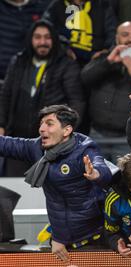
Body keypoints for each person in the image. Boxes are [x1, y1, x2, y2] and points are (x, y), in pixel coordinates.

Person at [0, 105, 112, 261]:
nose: (41, 129)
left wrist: (95, 174)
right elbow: (6, 144)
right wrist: (59, 238)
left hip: (95, 238)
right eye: (41, 123)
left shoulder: (85, 149)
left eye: (49, 123)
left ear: (66, 131)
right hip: (61, 240)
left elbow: (104, 170)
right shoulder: (37, 148)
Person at [0, 19, 86, 176]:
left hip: (51, 144)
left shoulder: (66, 64)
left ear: (54, 39)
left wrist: (65, 132)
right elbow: (5, 96)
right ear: (30, 39)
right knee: (14, 192)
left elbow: (77, 102)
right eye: (38, 37)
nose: (42, 42)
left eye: (47, 37)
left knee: (47, 192)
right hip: (17, 141)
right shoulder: (18, 61)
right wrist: (1, 124)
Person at [81, 21, 131, 162]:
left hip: (127, 138)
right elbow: (85, 78)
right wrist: (108, 62)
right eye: (125, 35)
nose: (130, 39)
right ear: (117, 38)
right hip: (97, 134)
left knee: (125, 181)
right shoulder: (105, 56)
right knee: (95, 179)